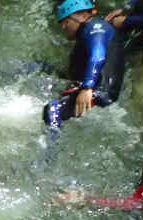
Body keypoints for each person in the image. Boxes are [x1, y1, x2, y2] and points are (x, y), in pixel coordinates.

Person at [44, 0, 126, 131]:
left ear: (81, 16)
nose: (63, 27)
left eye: (66, 22)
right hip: (94, 87)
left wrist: (87, 88)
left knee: (52, 109)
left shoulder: (96, 27)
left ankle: (50, 150)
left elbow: (98, 55)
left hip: (100, 92)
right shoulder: (87, 33)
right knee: (44, 69)